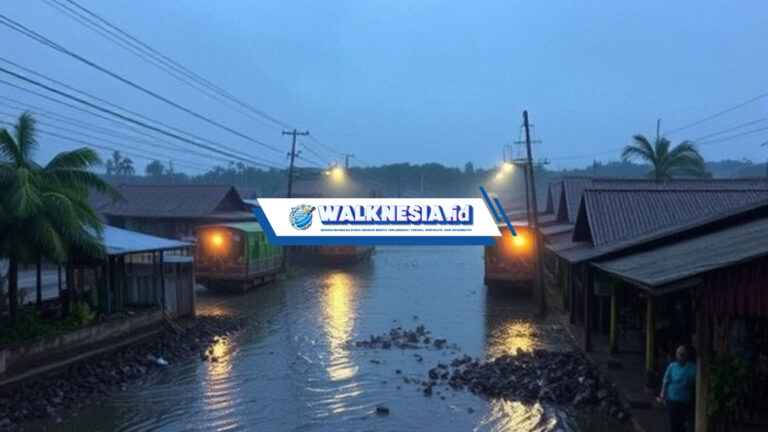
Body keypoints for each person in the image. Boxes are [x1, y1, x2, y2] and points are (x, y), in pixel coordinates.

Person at [658, 345, 697, 432]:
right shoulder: (672, 366)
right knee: (674, 422)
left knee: (682, 423)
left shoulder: (692, 369)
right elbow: (665, 380)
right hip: (673, 399)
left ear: (686, 356)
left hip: (685, 400)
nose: (679, 357)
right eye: (678, 354)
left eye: (682, 355)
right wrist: (662, 394)